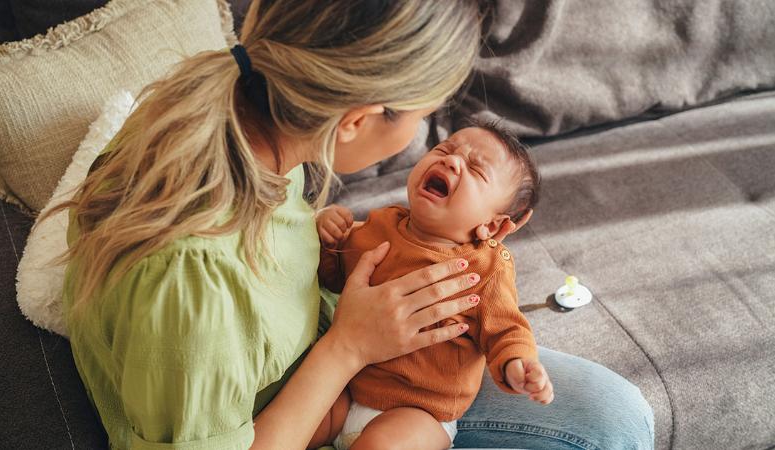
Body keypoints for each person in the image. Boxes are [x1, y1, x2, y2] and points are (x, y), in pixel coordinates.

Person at [43, 1, 654, 449]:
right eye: (428, 121)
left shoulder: (235, 116)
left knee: (619, 413)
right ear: (357, 121)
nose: (431, 145)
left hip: (367, 364)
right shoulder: (192, 285)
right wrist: (350, 347)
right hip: (300, 402)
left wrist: (320, 236)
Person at [313, 124, 552, 450]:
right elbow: (333, 276)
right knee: (304, 422)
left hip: (418, 410)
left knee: (382, 445)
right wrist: (327, 235)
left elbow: (506, 329)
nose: (452, 162)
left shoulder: (486, 268)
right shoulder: (380, 224)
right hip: (347, 386)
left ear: (492, 225)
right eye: (445, 149)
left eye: (476, 169)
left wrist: (518, 364)